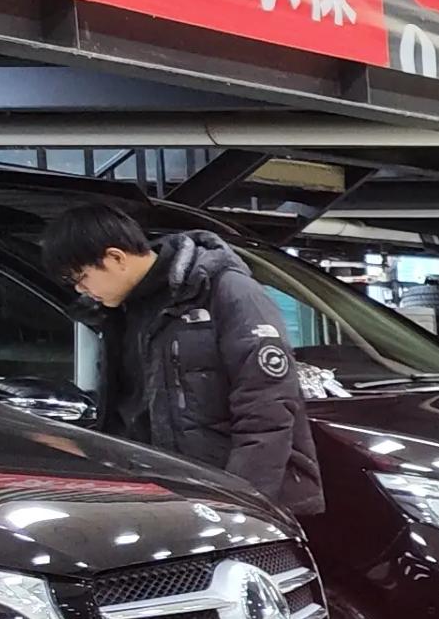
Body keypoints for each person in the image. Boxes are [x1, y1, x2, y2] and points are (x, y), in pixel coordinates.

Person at [37, 199, 325, 516]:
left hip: (226, 494)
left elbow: (267, 407)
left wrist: (240, 503)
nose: (81, 290)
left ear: (116, 257)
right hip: (164, 495)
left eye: (81, 277)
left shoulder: (225, 291)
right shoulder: (117, 314)